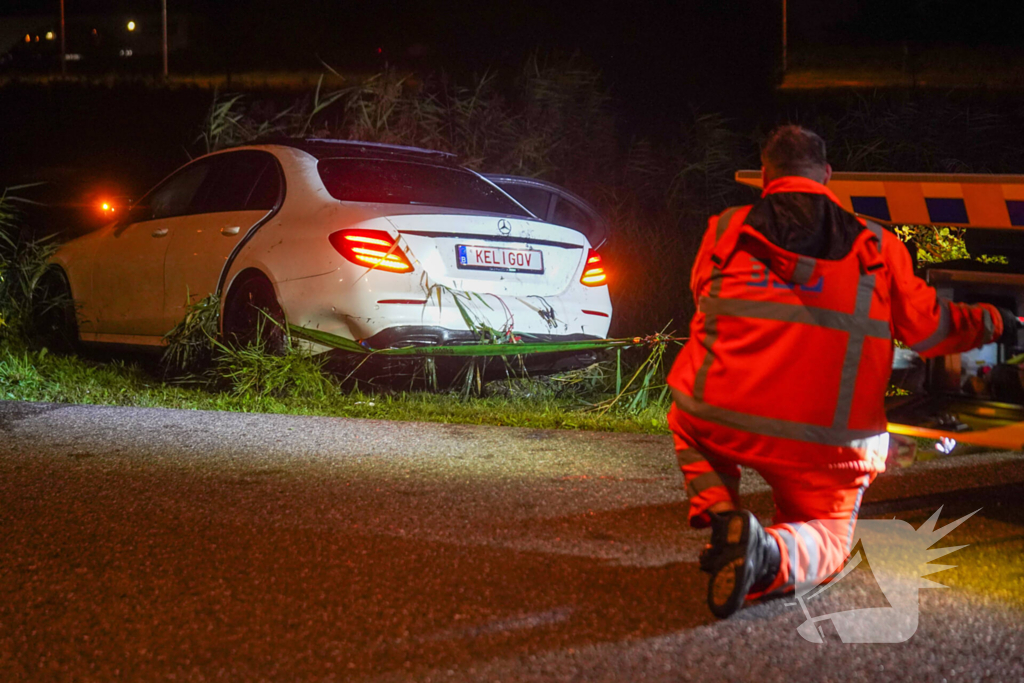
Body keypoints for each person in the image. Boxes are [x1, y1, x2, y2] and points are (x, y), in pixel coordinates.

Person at [666, 125, 1020, 618]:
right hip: (828, 442)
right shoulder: (877, 246)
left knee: (688, 420)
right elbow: (933, 332)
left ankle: (726, 518)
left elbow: (708, 299)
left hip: (723, 417)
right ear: (828, 176)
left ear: (766, 175)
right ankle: (769, 553)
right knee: (829, 540)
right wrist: (999, 320)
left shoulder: (726, 229)